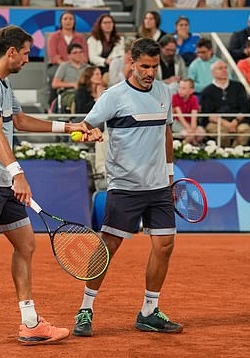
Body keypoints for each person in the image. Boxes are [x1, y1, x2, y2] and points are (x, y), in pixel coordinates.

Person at [0, 25, 99, 351]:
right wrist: (18, 173)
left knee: (25, 244)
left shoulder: (3, 84)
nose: (27, 59)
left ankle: (30, 322)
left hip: (2, 182)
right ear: (11, 52)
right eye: (25, 53)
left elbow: (19, 122)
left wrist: (69, 127)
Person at [72, 37, 182, 340]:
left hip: (159, 185)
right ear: (131, 62)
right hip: (125, 187)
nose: (150, 72)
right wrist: (88, 133)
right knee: (108, 247)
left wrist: (170, 173)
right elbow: (85, 126)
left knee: (165, 246)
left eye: (154, 67)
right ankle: (85, 308)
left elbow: (167, 132)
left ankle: (149, 311)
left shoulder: (164, 92)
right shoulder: (114, 96)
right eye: (144, 66)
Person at [200, 61, 250, 147]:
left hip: (237, 121)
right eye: (220, 68)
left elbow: (245, 108)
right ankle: (224, 154)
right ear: (213, 73)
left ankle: (235, 153)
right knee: (223, 133)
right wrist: (226, 124)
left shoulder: (238, 87)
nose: (224, 70)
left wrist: (234, 122)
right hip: (217, 122)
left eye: (225, 68)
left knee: (245, 130)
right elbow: (208, 114)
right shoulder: (207, 91)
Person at [52, 43, 90, 111]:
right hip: (69, 93)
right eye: (75, 53)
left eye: (81, 52)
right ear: (69, 55)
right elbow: (55, 84)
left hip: (86, 93)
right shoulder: (64, 66)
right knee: (78, 99)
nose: (78, 54)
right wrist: (72, 84)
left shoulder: (88, 68)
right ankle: (76, 119)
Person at [171, 78, 206, 145]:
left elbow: (194, 116)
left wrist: (193, 129)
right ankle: (183, 147)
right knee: (189, 134)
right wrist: (190, 130)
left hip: (190, 123)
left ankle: (190, 147)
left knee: (201, 133)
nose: (180, 90)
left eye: (183, 88)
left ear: (191, 91)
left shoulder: (194, 99)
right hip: (178, 123)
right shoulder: (175, 97)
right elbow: (180, 116)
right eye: (179, 88)